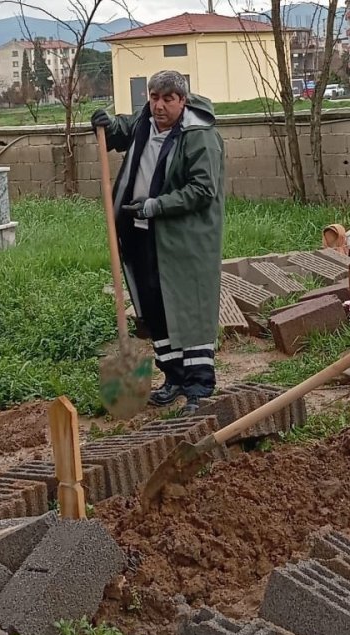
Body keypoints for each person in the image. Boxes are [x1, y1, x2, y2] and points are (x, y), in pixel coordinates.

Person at [91, 70, 226, 416]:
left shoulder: (199, 135)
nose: (159, 106)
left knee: (190, 307)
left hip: (184, 239)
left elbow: (202, 190)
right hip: (141, 233)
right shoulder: (145, 121)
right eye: (154, 98)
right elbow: (122, 132)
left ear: (183, 100)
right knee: (155, 307)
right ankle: (173, 378)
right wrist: (106, 123)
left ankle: (198, 386)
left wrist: (156, 205)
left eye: (168, 99)